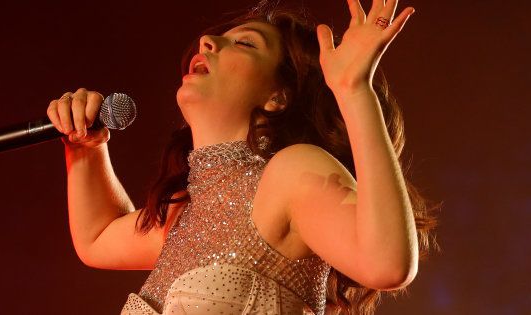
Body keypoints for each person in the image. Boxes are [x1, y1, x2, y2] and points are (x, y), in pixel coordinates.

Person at [46, 0, 438, 314]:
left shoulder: (290, 173)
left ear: (278, 96)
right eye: (216, 38)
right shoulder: (187, 212)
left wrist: (354, 91)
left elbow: (386, 263)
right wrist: (87, 146)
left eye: (246, 43)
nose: (206, 42)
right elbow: (96, 238)